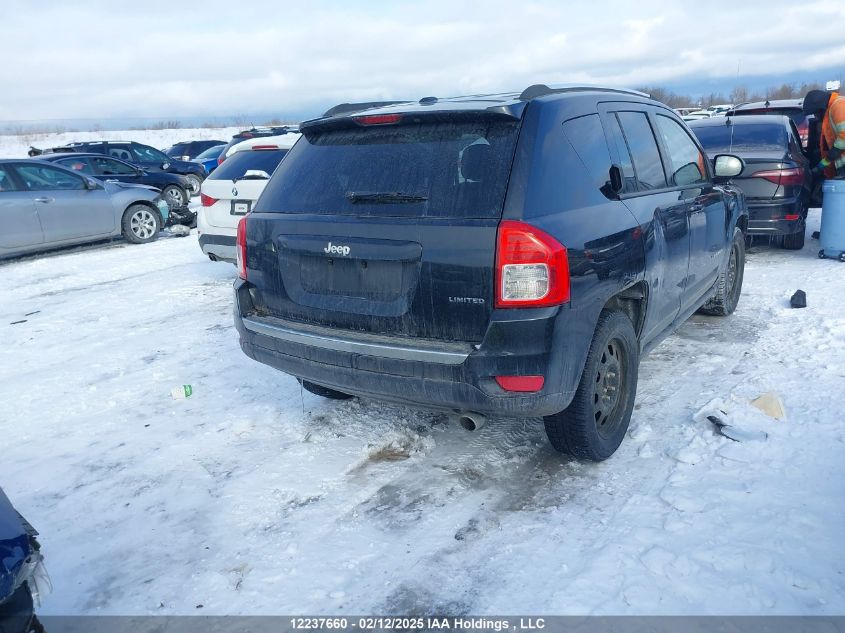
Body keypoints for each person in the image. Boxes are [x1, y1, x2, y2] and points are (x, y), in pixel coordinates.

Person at [804, 89, 845, 179]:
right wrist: (822, 166)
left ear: (821, 108)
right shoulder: (832, 109)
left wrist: (831, 156)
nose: (816, 117)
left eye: (816, 113)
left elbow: (844, 137)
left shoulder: (839, 106)